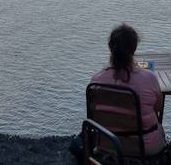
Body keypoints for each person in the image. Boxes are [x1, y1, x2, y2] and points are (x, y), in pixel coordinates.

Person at [69, 24, 165, 163]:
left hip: (107, 143)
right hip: (145, 146)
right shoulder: (149, 78)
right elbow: (157, 108)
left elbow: (94, 114)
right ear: (134, 48)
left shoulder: (96, 81)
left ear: (110, 47)